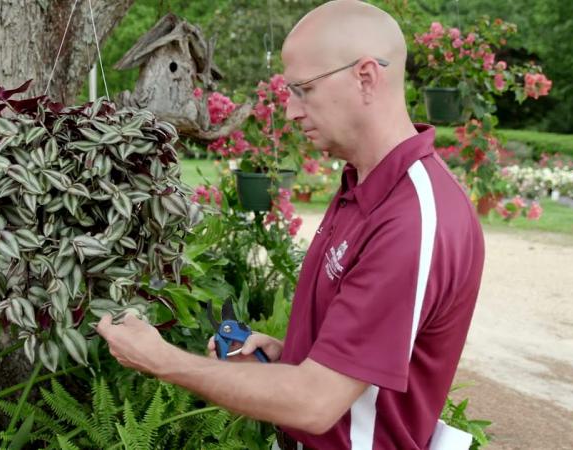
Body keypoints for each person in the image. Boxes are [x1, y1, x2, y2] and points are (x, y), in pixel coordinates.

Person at [96, 1, 485, 448]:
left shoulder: (410, 219)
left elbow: (315, 404)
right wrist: (293, 356)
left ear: (365, 77)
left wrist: (161, 358)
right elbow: (358, 361)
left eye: (303, 90)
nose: (290, 112)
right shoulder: (365, 187)